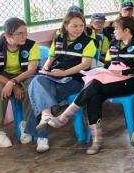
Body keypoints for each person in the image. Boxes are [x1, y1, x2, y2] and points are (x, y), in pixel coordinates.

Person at [39, 16, 134, 155]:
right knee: (94, 94)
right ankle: (97, 140)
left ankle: (64, 117)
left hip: (133, 82)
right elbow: (108, 65)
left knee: (95, 86)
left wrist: (122, 71)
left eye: (116, 28)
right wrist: (105, 70)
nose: (114, 31)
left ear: (126, 30)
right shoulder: (114, 43)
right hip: (113, 80)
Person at [28, 11, 97, 153]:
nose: (79, 29)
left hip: (75, 79)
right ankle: (47, 115)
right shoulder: (58, 39)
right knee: (37, 80)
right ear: (66, 26)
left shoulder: (88, 42)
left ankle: (42, 136)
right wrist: (46, 68)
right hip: (55, 76)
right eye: (74, 26)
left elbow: (85, 64)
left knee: (42, 94)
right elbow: (51, 58)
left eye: (81, 25)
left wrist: (64, 73)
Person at [0, 18, 41, 148]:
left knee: (32, 86)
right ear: (7, 34)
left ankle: (26, 126)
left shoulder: (32, 45)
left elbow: (31, 70)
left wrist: (13, 82)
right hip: (2, 77)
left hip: (24, 75)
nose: (24, 36)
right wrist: (13, 85)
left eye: (25, 32)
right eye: (19, 33)